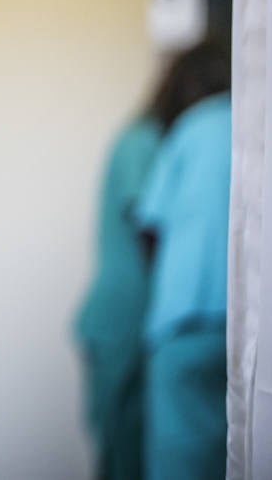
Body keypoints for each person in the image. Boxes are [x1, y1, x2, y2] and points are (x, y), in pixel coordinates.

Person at [74, 40, 231, 480]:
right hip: (125, 321)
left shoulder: (181, 138)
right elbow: (152, 231)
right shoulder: (145, 141)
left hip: (157, 324)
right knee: (127, 457)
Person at [133, 38, 231, 480]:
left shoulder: (190, 129)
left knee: (179, 464)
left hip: (183, 321)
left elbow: (149, 223)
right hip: (247, 328)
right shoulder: (258, 124)